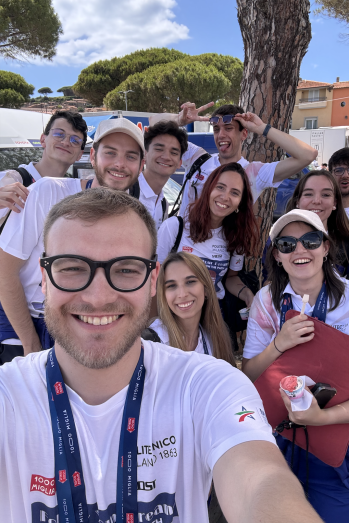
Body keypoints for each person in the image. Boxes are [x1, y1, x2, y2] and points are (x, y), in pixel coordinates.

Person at [0, 187, 323, 523]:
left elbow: (260, 480)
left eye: (125, 269)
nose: (97, 297)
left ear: (151, 280)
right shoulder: (8, 396)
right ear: (43, 278)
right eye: (71, 268)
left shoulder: (208, 385)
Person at [242, 208, 349, 523]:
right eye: (287, 244)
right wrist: (278, 344)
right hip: (279, 435)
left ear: (325, 248)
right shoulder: (266, 304)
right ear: (277, 256)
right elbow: (249, 375)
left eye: (310, 240)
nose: (300, 250)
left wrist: (322, 417)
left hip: (339, 439)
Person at [0, 118, 144, 363]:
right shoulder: (46, 192)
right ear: (92, 156)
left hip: (79, 328)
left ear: (141, 166)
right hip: (23, 327)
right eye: (110, 153)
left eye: (131, 156)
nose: (120, 163)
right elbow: (4, 271)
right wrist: (30, 342)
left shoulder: (130, 216)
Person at [150, 101, 317, 217]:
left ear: (244, 134)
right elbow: (152, 125)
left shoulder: (254, 173)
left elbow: (307, 155)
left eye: (228, 128)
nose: (221, 135)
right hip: (183, 256)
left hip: (222, 261)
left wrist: (262, 128)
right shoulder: (198, 158)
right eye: (216, 129)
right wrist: (179, 121)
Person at [157, 162, 259, 310]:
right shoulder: (174, 227)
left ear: (240, 203)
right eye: (220, 187)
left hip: (214, 315)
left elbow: (230, 278)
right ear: (208, 189)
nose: (225, 197)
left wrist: (247, 294)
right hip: (176, 312)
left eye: (235, 193)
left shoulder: (236, 235)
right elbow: (155, 277)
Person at [150, 251, 235, 364]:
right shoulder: (151, 343)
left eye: (190, 282)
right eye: (171, 286)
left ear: (206, 288)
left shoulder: (215, 338)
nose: (182, 294)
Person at [0, 110, 88, 219]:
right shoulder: (10, 180)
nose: (66, 142)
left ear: (80, 154)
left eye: (75, 140)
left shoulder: (73, 194)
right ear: (43, 139)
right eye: (59, 134)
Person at [287, 169, 349, 277]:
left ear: (335, 203)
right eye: (308, 194)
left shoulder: (348, 246)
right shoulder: (280, 241)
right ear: (297, 202)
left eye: (326, 195)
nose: (317, 201)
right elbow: (270, 281)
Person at [139, 121, 188, 230]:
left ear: (180, 163)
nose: (166, 157)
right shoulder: (127, 191)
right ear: (145, 154)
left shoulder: (163, 205)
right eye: (159, 149)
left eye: (174, 153)